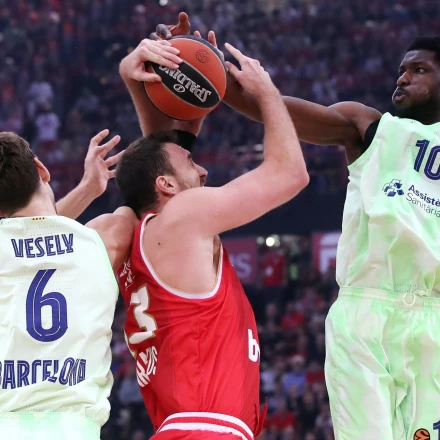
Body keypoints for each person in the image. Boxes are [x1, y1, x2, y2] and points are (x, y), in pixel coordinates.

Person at [152, 16, 440, 440]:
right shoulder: (371, 127)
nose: (404, 77)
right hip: (367, 308)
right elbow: (273, 111)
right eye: (402, 69)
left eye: (419, 70)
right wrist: (205, 69)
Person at [116, 37, 309, 439]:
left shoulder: (149, 234)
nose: (203, 170)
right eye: (192, 163)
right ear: (166, 185)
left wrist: (155, 77)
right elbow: (290, 173)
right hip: (206, 429)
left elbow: (165, 152)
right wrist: (266, 91)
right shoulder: (180, 218)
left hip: (188, 427)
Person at [0, 128, 134, 439]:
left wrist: (86, 190)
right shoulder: (105, 240)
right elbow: (47, 232)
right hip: (74, 429)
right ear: (41, 169)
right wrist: (88, 189)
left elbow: (31, 235)